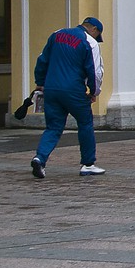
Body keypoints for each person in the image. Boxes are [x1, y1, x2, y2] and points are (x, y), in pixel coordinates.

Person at [29, 16, 106, 178]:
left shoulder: (56, 34)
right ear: (94, 29)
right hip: (74, 91)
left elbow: (42, 60)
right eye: (97, 35)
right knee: (85, 123)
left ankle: (40, 158)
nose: (96, 39)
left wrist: (40, 82)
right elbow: (95, 72)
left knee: (53, 127)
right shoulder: (89, 42)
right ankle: (88, 164)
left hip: (51, 89)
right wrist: (94, 92)